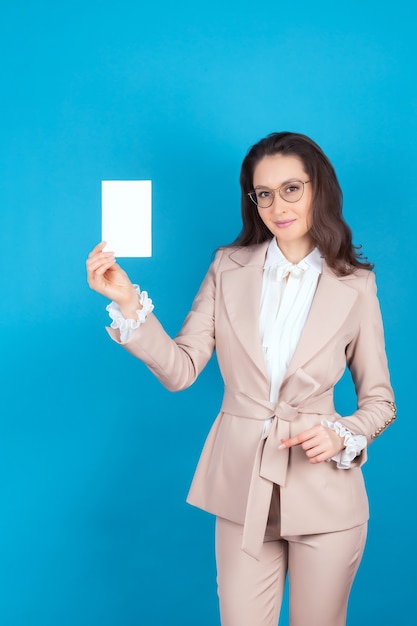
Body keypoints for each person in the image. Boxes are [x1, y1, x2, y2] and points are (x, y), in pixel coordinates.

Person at [86, 132, 395, 626]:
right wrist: (127, 303)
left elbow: (380, 400)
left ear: (319, 189)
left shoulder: (356, 284)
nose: (278, 205)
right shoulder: (227, 267)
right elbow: (182, 368)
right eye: (264, 193)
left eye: (291, 188)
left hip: (325, 492)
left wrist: (341, 432)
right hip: (240, 485)